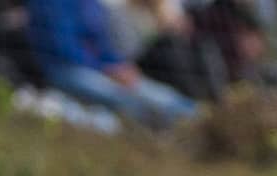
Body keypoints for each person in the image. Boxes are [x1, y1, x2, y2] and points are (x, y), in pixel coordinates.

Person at [28, 0, 200, 127]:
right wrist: (105, 69)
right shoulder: (50, 3)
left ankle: (199, 118)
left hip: (100, 70)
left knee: (157, 93)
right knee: (124, 98)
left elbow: (103, 45)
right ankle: (173, 129)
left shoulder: (92, 4)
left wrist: (120, 66)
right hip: (65, 71)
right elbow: (63, 49)